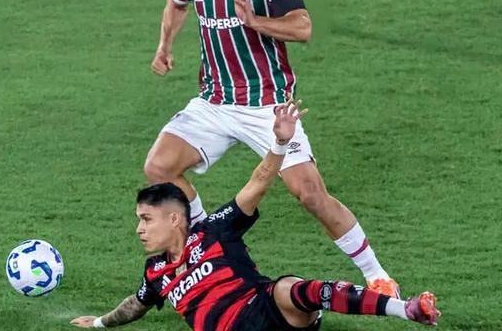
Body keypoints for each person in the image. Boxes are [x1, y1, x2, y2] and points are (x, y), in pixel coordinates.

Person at [145, 0, 398, 296]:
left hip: (267, 107)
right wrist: (164, 47)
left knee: (310, 193)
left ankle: (377, 275)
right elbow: (176, 3)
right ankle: (208, 245)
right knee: (159, 168)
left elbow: (303, 27)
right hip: (213, 103)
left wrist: (256, 21)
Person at [73, 98, 440, 330]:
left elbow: (259, 182)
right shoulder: (155, 273)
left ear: (174, 219)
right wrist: (100, 324)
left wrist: (279, 142)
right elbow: (134, 306)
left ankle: (405, 310)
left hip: (267, 309)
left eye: (146, 219)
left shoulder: (215, 231)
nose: (139, 229)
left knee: (293, 288)